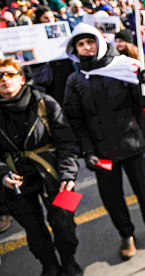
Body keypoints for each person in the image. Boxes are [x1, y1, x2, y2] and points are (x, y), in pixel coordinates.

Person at [62, 23, 145, 260]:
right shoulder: (75, 80)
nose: (86, 47)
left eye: (89, 42)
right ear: (75, 49)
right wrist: (87, 151)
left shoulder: (124, 68)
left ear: (100, 42)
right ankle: (126, 234)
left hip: (135, 144)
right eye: (80, 44)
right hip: (102, 154)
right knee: (112, 199)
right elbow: (75, 120)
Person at [0, 58, 82, 276]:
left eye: (9, 74)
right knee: (34, 231)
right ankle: (49, 265)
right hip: (15, 180)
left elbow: (67, 142)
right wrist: (2, 175)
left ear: (22, 78)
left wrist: (69, 173)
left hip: (55, 174)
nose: (4, 79)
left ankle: (69, 262)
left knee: (65, 224)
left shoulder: (45, 103)